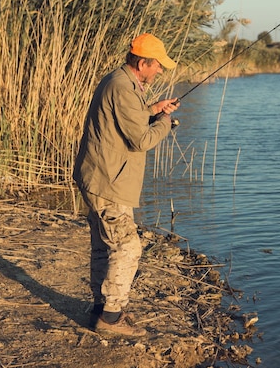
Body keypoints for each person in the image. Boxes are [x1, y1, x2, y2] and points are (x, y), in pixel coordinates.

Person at [73, 33, 179, 337]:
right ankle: (110, 317)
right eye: (157, 65)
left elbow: (127, 119)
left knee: (104, 246)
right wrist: (166, 123)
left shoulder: (120, 82)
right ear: (142, 62)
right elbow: (141, 139)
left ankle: (101, 309)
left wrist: (153, 109)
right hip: (107, 181)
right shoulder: (122, 87)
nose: (159, 71)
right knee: (127, 247)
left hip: (102, 177)